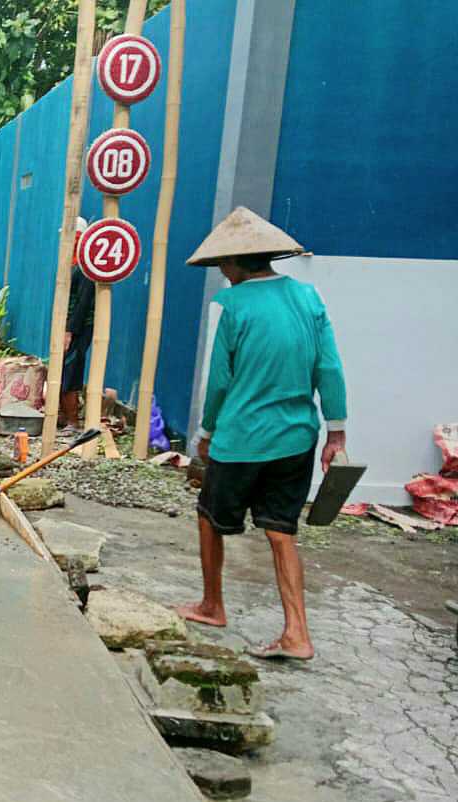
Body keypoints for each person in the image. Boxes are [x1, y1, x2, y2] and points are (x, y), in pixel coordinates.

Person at [176, 207, 347, 661]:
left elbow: (220, 381)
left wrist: (207, 432)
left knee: (210, 517)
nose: (222, 274)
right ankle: (297, 632)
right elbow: (328, 367)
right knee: (280, 530)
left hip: (243, 438)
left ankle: (212, 604)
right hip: (297, 438)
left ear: (233, 263)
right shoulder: (308, 298)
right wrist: (337, 434)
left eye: (222, 266)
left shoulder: (232, 307)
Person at [61, 217, 93, 431]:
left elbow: (82, 303)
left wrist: (70, 330)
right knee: (63, 369)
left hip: (79, 329)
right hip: (69, 327)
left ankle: (73, 420)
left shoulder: (85, 268)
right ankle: (63, 417)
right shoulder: (72, 265)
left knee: (71, 369)